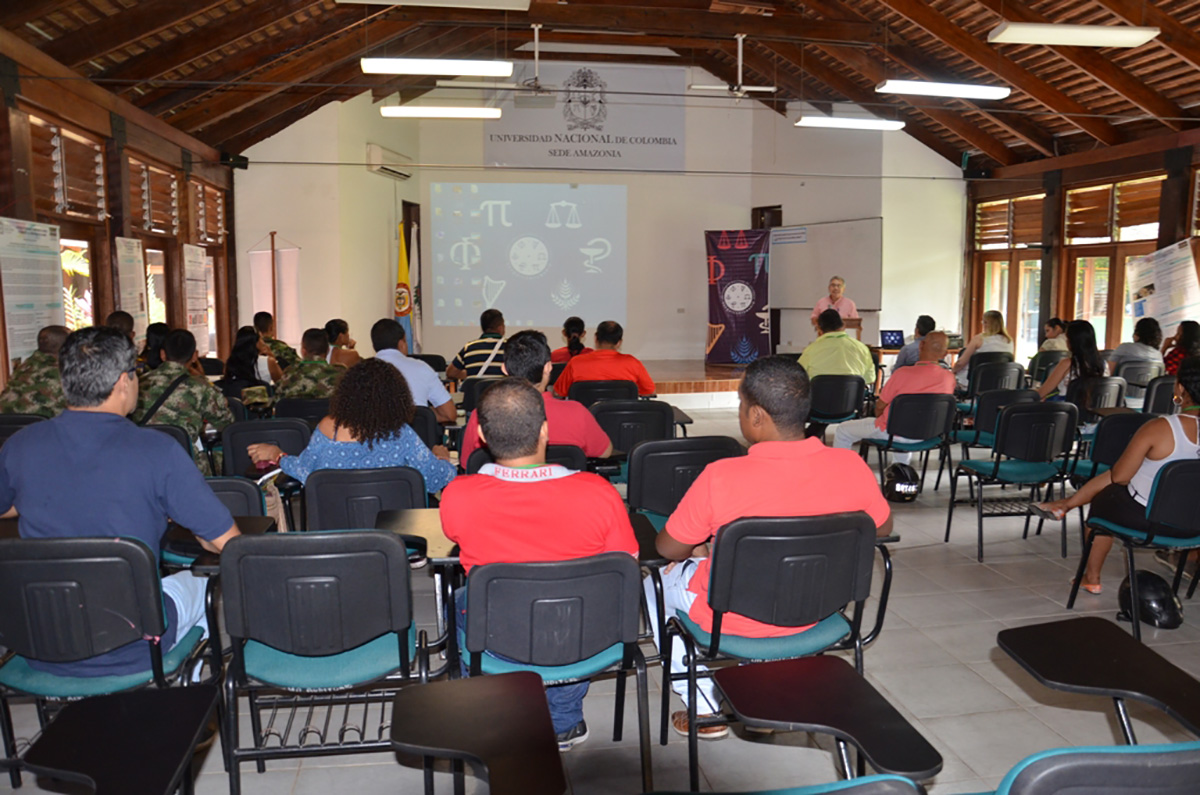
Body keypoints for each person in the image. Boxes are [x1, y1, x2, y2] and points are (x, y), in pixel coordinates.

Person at [646, 356, 892, 738]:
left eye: (741, 407)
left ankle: (705, 707)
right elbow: (881, 527)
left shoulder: (722, 476)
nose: (740, 415)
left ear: (757, 415)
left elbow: (667, 546)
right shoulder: (850, 466)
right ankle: (762, 688)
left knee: (653, 582)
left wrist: (704, 550)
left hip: (730, 619)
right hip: (818, 611)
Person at [0, 326, 239, 678]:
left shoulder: (19, 446)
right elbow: (227, 542)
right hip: (135, 646)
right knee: (203, 584)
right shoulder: (158, 451)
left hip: (40, 643)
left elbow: (7, 508)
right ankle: (189, 691)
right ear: (124, 382)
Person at [440, 378, 638, 749]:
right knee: (584, 598)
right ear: (545, 430)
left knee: (461, 598)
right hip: (582, 635)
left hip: (499, 637)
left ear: (480, 434)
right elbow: (626, 565)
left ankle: (496, 711)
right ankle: (563, 720)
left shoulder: (458, 494)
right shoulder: (599, 492)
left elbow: (455, 537)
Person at [1034, 356, 1200, 593]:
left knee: (1106, 499)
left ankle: (1091, 577)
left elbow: (1120, 477)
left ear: (1181, 387)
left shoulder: (1160, 428)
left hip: (1153, 522)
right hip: (1195, 527)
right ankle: (1066, 504)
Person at [247, 358, 455, 496]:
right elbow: (436, 480)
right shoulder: (401, 434)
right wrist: (442, 458)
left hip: (336, 542)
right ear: (395, 398)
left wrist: (278, 455)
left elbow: (305, 471)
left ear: (346, 393)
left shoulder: (328, 428)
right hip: (393, 544)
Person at [460, 330, 613, 463]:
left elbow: (469, 464)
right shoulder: (577, 413)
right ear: (548, 367)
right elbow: (605, 452)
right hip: (563, 496)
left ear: (504, 370)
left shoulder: (481, 416)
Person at [834, 332, 955, 463]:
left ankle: (840, 473)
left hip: (894, 431)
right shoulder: (949, 378)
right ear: (945, 354)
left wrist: (880, 418)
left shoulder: (902, 374)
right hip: (929, 433)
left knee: (843, 430)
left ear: (921, 345)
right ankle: (900, 473)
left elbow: (880, 407)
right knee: (906, 426)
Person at [133, 329, 234, 475]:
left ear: (163, 354)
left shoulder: (139, 383)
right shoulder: (200, 387)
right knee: (222, 459)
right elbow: (227, 424)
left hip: (142, 464)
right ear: (194, 356)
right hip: (185, 465)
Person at [370, 318, 455, 423]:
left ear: (374, 345)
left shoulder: (361, 372)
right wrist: (422, 415)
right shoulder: (422, 368)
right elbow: (449, 414)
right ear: (401, 344)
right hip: (419, 437)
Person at [553, 320, 655, 397]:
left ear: (596, 338)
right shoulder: (632, 363)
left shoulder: (576, 363)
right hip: (619, 422)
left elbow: (558, 393)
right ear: (619, 342)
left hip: (584, 420)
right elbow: (650, 392)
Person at [0, 325, 69, 418]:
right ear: (66, 347)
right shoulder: (61, 372)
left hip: (8, 427)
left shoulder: (25, 365)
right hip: (42, 427)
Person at [798, 309, 875, 384]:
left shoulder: (811, 350)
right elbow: (870, 379)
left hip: (820, 396)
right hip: (851, 396)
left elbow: (798, 376)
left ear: (819, 329)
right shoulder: (861, 348)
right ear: (843, 325)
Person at [1036, 320, 1107, 402]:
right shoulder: (1104, 365)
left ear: (1072, 342)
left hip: (1066, 411)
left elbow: (1041, 393)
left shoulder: (1067, 364)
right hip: (1096, 412)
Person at [274, 327, 344, 401]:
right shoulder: (340, 374)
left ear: (303, 351)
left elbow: (278, 402)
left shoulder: (289, 374)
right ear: (328, 350)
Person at [953, 310, 1014, 389]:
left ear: (987, 324)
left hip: (973, 382)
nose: (982, 324)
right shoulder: (1009, 341)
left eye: (984, 322)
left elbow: (961, 363)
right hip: (1000, 382)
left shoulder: (979, 339)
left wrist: (952, 372)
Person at [216, 326, 276, 402]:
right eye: (261, 339)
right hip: (258, 405)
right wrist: (273, 357)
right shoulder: (268, 361)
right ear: (256, 343)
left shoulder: (231, 361)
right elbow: (281, 383)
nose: (263, 342)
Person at [446, 309, 506, 381]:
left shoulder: (469, 347)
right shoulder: (511, 347)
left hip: (476, 391)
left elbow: (451, 373)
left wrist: (470, 374)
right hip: (502, 391)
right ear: (500, 328)